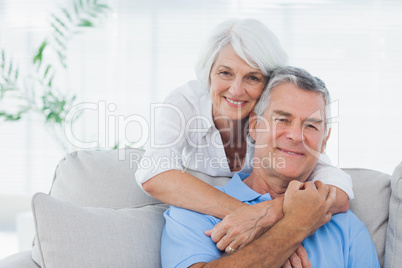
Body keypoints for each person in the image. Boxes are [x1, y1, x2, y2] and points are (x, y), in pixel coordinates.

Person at [135, 18, 353, 253]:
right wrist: (253, 219)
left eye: (252, 77)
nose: (236, 90)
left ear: (269, 84)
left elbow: (336, 187)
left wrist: (268, 214)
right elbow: (153, 172)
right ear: (208, 74)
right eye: (225, 73)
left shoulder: (274, 125)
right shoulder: (185, 103)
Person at [161, 66, 380, 268]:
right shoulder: (195, 211)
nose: (296, 135)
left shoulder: (347, 226)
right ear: (255, 126)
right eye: (283, 119)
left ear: (324, 141)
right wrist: (295, 226)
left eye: (311, 125)